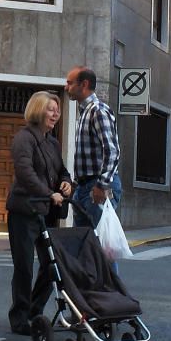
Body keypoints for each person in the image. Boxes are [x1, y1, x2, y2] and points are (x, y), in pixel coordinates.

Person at [6, 91, 73, 336]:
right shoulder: (24, 138)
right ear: (37, 110)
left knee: (51, 264)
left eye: (57, 109)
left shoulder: (52, 142)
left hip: (46, 212)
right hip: (24, 210)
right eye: (50, 109)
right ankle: (19, 317)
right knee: (24, 266)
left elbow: (62, 170)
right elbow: (25, 173)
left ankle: (35, 311)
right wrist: (48, 193)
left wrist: (66, 183)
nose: (56, 114)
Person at [64, 66, 121, 228]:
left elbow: (112, 151)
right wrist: (76, 184)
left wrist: (101, 186)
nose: (66, 87)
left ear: (84, 84)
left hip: (96, 185)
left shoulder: (98, 111)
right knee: (84, 242)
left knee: (99, 243)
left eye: (70, 83)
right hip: (85, 186)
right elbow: (87, 155)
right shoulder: (85, 112)